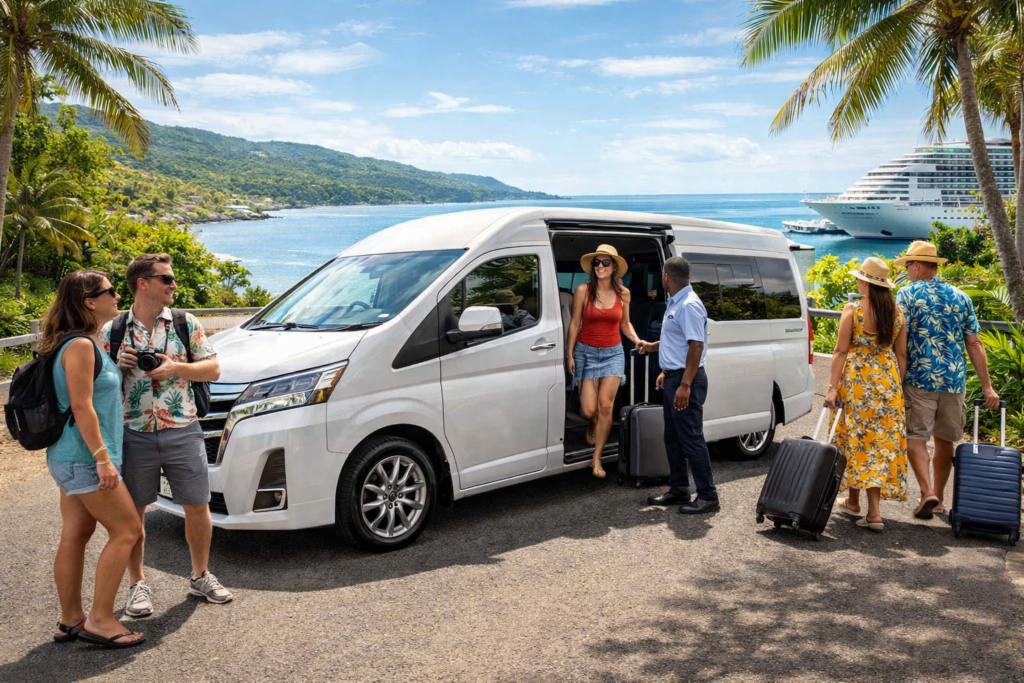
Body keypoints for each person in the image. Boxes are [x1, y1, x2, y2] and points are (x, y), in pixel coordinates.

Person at [101, 253, 232, 618]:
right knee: (134, 513)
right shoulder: (112, 331)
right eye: (166, 279)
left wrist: (177, 368)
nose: (174, 284)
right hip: (133, 431)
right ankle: (137, 584)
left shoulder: (184, 323)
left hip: (183, 428)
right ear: (143, 283)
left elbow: (214, 368)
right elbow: (96, 386)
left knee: (197, 505)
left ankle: (200, 575)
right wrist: (117, 366)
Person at [42, 270, 145, 648]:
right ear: (89, 301)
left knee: (77, 533)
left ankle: (71, 619)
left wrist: (117, 367)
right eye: (110, 291)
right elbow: (82, 407)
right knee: (127, 531)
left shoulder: (79, 342)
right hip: (86, 458)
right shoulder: (82, 346)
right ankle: (101, 620)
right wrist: (103, 459)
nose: (117, 295)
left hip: (67, 455)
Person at [894, 241, 1000, 519]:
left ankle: (926, 490)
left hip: (919, 380)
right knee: (945, 441)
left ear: (916, 265)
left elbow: (899, 344)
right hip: (954, 383)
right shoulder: (960, 297)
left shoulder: (905, 296)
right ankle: (939, 500)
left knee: (915, 438)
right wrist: (987, 386)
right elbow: (975, 344)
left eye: (908, 266)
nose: (907, 271)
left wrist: (896, 380)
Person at [825, 257, 909, 532]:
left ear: (868, 283)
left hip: (858, 384)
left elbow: (839, 351)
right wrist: (896, 388)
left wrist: (831, 387)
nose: (858, 282)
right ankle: (853, 501)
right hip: (888, 384)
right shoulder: (897, 313)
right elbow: (901, 355)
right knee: (877, 444)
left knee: (855, 440)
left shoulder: (854, 310)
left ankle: (874, 514)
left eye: (860, 278)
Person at [638, 256, 718, 514]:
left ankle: (708, 496)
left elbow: (696, 346)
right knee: (672, 438)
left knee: (691, 439)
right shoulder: (677, 302)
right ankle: (679, 489)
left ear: (666, 277)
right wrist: (662, 362)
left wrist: (684, 384)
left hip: (688, 381)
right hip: (676, 376)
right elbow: (681, 342)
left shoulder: (689, 305)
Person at [566, 244, 645, 478]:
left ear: (614, 268)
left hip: (613, 353)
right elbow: (574, 324)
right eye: (597, 263)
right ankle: (592, 424)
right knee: (589, 410)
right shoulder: (583, 291)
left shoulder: (624, 294)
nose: (600, 266)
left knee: (606, 407)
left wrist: (637, 339)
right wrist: (569, 354)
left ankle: (596, 458)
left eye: (605, 262)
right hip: (585, 353)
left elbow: (624, 324)